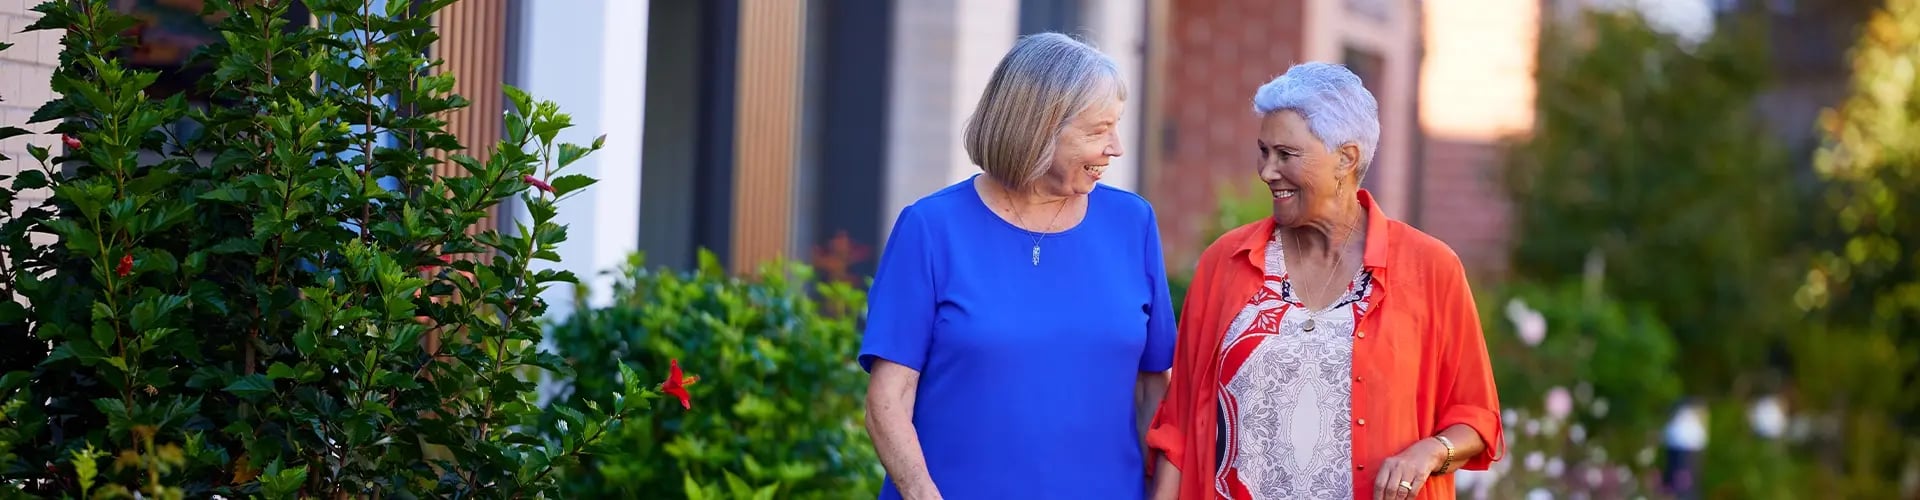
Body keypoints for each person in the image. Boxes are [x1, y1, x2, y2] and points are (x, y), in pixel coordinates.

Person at [1145, 62, 1505, 500]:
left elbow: (1477, 417)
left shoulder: (1430, 270)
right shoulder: (1226, 263)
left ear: (1346, 159)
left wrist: (1430, 451)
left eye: (1286, 155)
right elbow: (1178, 428)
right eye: (1263, 151)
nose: (1267, 171)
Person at [860, 32, 1176, 499]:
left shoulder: (1132, 223)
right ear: (1039, 128)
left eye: (1116, 127)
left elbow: (1157, 391)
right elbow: (888, 400)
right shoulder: (931, 228)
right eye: (1097, 130)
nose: (1115, 147)